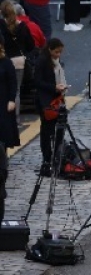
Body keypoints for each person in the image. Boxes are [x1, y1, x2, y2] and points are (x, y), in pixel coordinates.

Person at [34, 38, 67, 175]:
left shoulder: (55, 61)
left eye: (60, 52)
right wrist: (54, 87)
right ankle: (47, 158)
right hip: (45, 101)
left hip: (55, 99)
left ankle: (56, 155)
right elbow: (37, 82)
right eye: (56, 52)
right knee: (47, 131)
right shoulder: (42, 61)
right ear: (49, 49)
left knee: (57, 129)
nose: (58, 55)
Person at [0, 39, 16, 222]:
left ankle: (2, 164)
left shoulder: (6, 63)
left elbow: (12, 81)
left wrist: (12, 99)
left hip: (3, 102)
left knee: (3, 135)